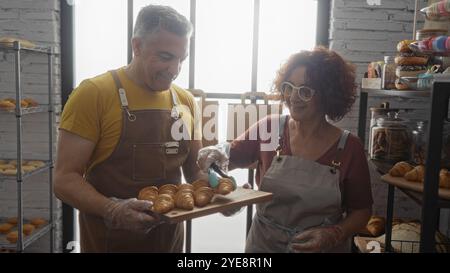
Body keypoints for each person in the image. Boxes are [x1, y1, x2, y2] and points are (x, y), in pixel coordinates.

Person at [54, 5, 205, 253]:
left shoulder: (186, 101)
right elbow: (64, 179)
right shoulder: (94, 94)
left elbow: (194, 172)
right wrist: (112, 209)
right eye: (166, 57)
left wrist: (221, 190)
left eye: (182, 59)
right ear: (137, 46)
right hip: (111, 241)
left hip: (170, 243)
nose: (175, 70)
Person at [197, 47, 373, 253]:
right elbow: (225, 160)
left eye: (305, 91)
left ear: (328, 96)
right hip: (264, 245)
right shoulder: (269, 129)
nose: (294, 97)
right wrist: (218, 159)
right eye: (289, 87)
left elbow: (362, 211)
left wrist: (334, 234)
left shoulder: (350, 148)